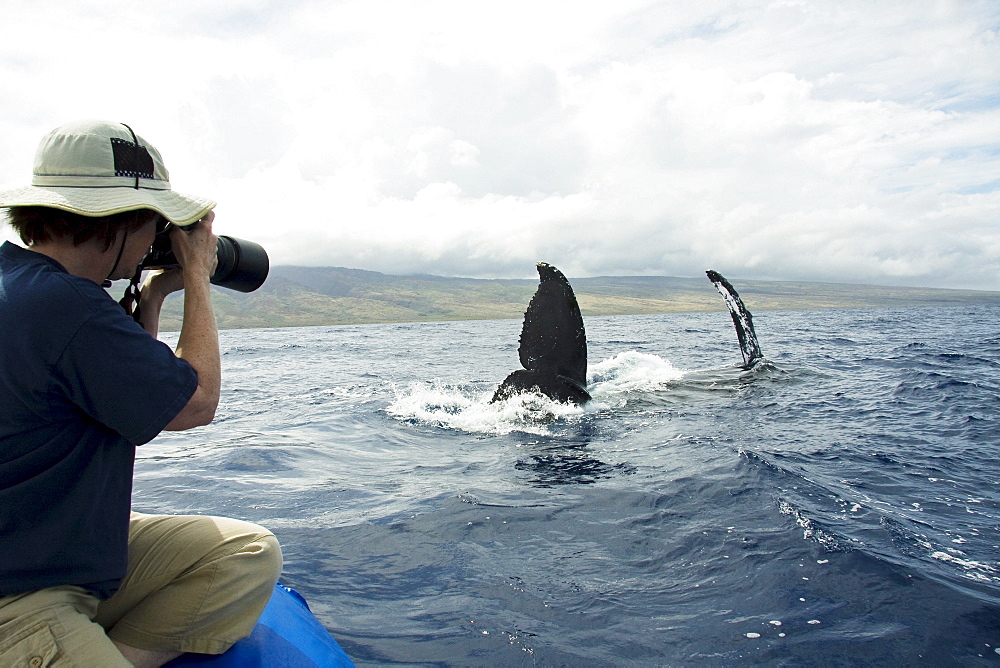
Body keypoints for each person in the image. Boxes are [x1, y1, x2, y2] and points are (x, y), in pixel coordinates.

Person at [0, 120, 282, 666]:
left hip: (48, 550)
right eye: (155, 219)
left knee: (244, 552)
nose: (159, 233)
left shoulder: (31, 290)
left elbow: (119, 394)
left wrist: (150, 298)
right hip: (21, 596)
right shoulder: (68, 309)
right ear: (121, 221)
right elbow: (194, 403)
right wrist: (198, 275)